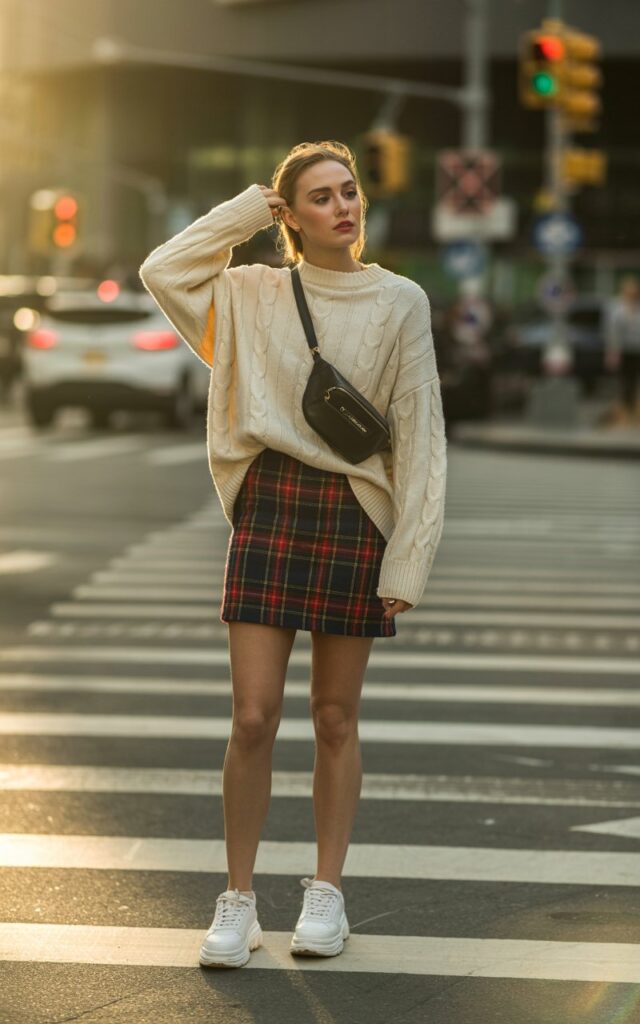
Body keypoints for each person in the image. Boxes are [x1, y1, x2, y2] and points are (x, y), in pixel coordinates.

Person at [138, 140, 447, 968]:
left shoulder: (400, 301)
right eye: (320, 197)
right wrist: (248, 210)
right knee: (252, 715)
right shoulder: (249, 295)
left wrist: (407, 562)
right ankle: (237, 898)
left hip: (355, 514)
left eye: (350, 191)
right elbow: (163, 271)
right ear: (291, 215)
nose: (343, 207)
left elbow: (420, 436)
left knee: (335, 717)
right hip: (272, 507)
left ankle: (327, 893)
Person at [605, 274, 640, 424]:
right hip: (625, 351)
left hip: (638, 349)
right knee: (625, 382)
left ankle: (636, 413)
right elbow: (612, 332)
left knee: (636, 384)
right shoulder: (617, 309)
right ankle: (624, 413)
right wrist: (613, 352)